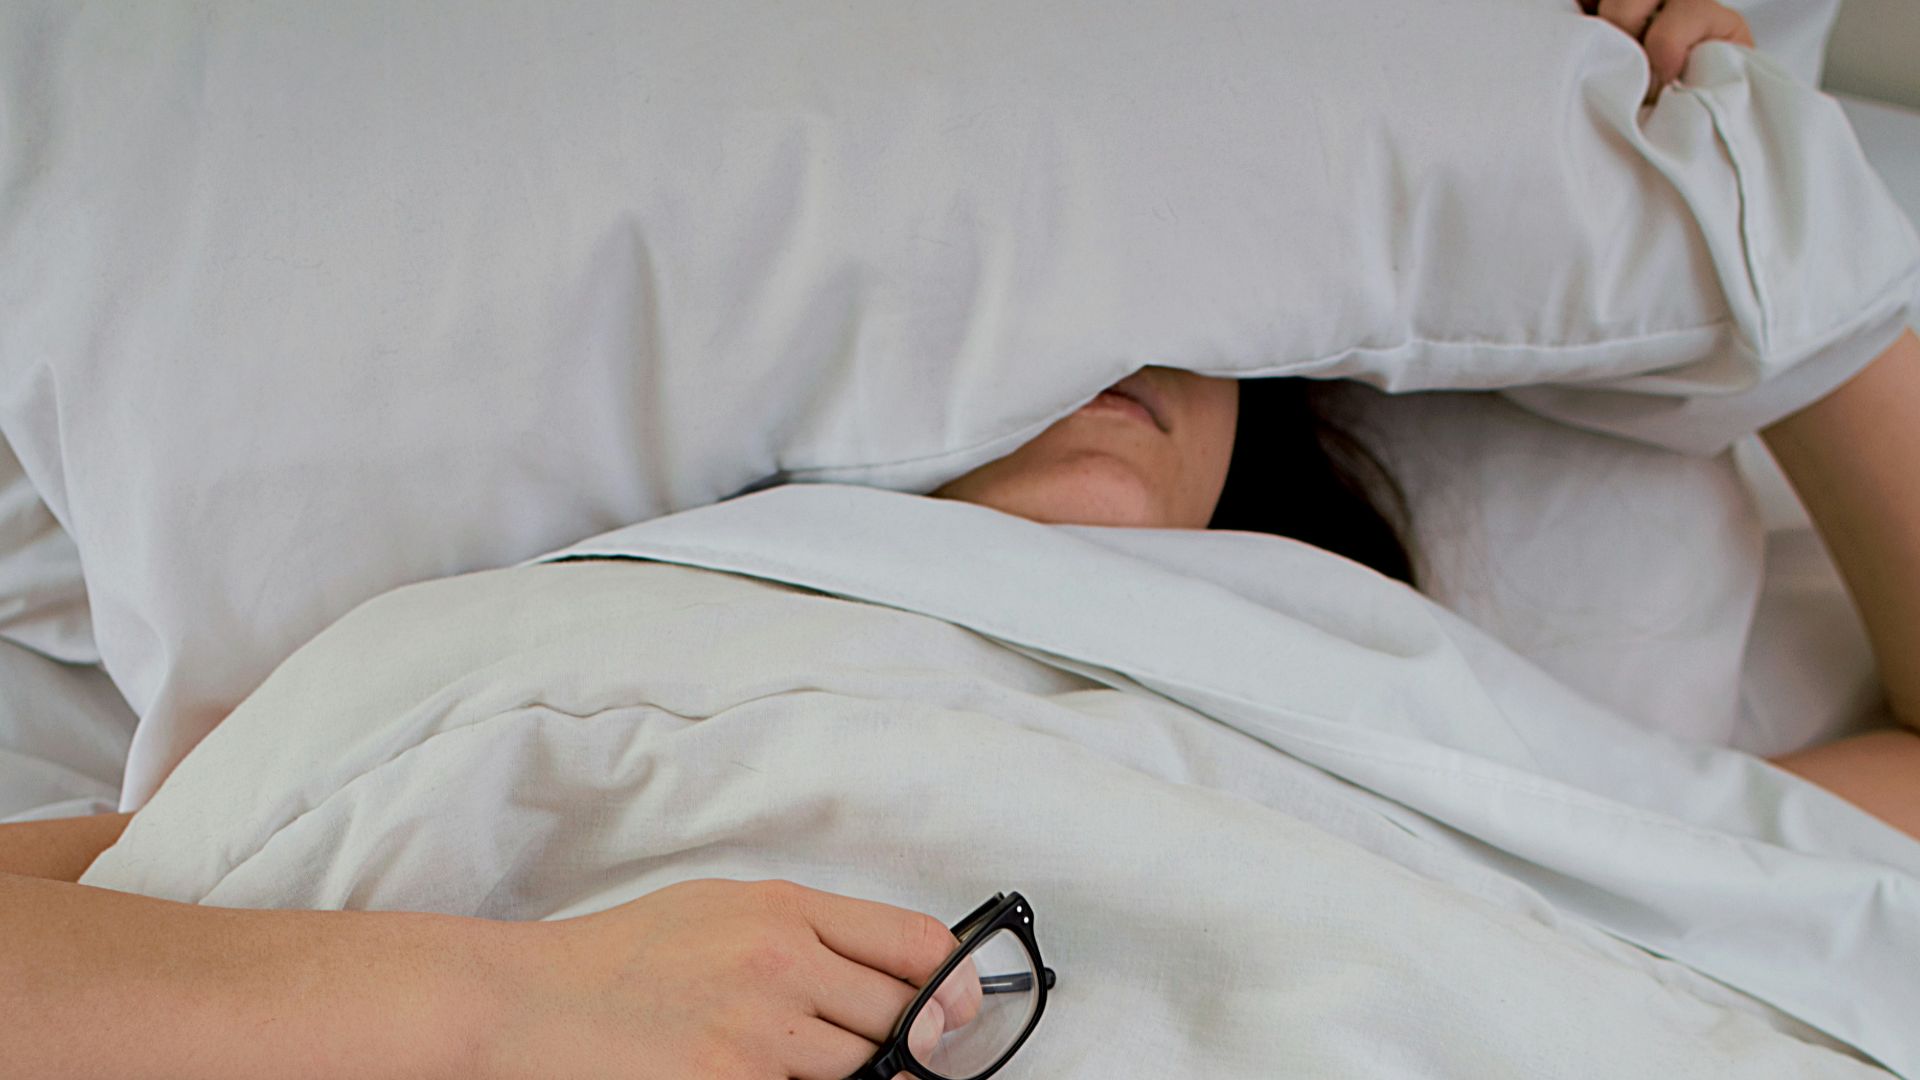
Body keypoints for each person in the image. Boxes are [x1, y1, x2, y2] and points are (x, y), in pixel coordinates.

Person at [6, 4, 1913, 1078]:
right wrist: (510, 1004)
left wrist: (1744, 187)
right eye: (1011, 317)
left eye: (1183, 308)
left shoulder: (1402, 709)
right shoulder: (579, 650)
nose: (1104, 352)